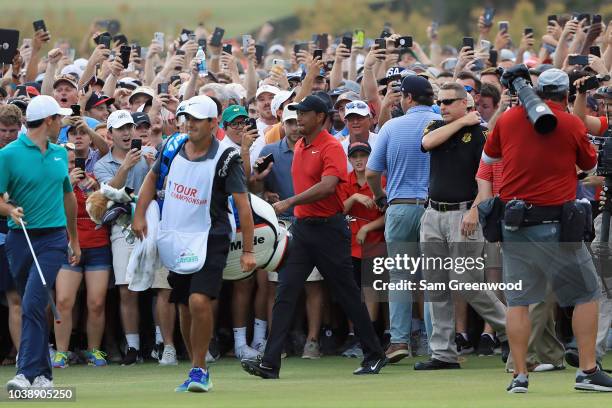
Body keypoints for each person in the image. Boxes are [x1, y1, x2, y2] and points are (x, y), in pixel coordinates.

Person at [482, 68, 612, 393]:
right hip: (557, 227)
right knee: (587, 293)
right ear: (566, 96)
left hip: (515, 226)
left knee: (519, 303)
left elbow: (490, 157)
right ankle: (587, 371)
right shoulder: (570, 123)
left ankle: (520, 376)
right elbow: (589, 164)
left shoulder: (509, 120)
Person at [241, 95, 386, 379]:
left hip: (330, 230)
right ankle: (270, 363)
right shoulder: (300, 145)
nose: (299, 120)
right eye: (296, 115)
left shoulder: (330, 146)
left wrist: (288, 202)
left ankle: (374, 353)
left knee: (346, 294)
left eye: (304, 114)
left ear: (320, 117)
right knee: (285, 292)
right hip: (304, 229)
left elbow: (329, 186)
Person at [132, 95, 256, 392]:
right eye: (187, 118)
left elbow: (243, 205)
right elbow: (151, 179)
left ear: (213, 123)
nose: (191, 124)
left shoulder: (228, 157)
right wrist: (139, 215)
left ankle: (200, 369)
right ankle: (195, 367)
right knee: (185, 306)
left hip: (211, 236)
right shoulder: (172, 146)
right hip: (176, 236)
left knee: (199, 300)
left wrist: (249, 250)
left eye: (198, 119)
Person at [417, 82, 507, 370]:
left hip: (465, 214)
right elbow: (427, 144)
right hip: (432, 213)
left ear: (465, 104)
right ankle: (443, 353)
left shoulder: (481, 134)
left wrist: (474, 210)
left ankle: (509, 329)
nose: (441, 106)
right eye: (440, 101)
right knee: (436, 285)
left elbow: (489, 178)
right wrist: (460, 123)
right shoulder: (435, 127)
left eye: (448, 102)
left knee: (465, 280)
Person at [1, 95, 80, 391]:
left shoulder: (60, 153)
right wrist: (9, 209)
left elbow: (68, 197)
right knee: (30, 305)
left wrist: (74, 239)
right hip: (19, 239)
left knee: (34, 301)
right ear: (48, 121)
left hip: (52, 239)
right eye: (58, 119)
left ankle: (26, 372)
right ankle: (44, 376)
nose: (61, 123)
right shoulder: (9, 155)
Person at [366, 76, 440, 363]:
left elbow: (372, 173)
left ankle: (398, 341)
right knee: (434, 277)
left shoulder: (391, 126)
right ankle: (438, 344)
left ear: (408, 98)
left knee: (400, 276)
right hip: (435, 207)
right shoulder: (442, 124)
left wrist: (380, 197)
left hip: (399, 206)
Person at [252, 104, 325, 359]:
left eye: (298, 122)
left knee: (312, 286)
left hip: (311, 222)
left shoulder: (317, 149)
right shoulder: (270, 151)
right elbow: (254, 187)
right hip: (281, 225)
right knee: (275, 287)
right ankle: (277, 343)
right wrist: (263, 187)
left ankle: (313, 341)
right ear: (282, 124)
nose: (295, 128)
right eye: (290, 123)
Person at [93, 110, 150, 366]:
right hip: (121, 227)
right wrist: (126, 166)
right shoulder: (102, 164)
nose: (127, 133)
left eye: (130, 127)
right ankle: (133, 347)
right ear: (110, 135)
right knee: (127, 289)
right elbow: (109, 195)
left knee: (160, 287)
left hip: (153, 222)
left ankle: (162, 343)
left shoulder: (149, 155)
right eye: (121, 129)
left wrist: (148, 163)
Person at [52, 143, 110, 368]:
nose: (72, 166)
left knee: (96, 302)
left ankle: (94, 350)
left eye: (75, 162)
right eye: (67, 162)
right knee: (64, 301)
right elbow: (50, 208)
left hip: (97, 245)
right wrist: (66, 184)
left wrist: (93, 190)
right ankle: (61, 352)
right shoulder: (55, 183)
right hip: (67, 246)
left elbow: (102, 211)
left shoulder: (93, 180)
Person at [339, 141, 385, 358]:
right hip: (349, 246)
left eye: (363, 155)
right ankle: (357, 337)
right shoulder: (345, 181)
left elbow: (389, 215)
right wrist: (355, 197)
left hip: (375, 244)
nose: (359, 160)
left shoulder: (380, 180)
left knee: (371, 290)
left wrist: (367, 227)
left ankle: (371, 336)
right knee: (353, 293)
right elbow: (338, 209)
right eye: (354, 156)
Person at [0, 104, 23, 367]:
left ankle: (22, 356)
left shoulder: (23, 153)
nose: (7, 135)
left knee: (17, 297)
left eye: (12, 131)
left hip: (17, 232)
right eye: (3, 130)